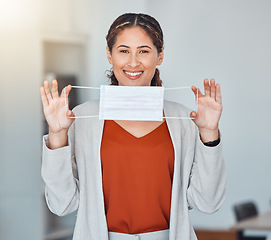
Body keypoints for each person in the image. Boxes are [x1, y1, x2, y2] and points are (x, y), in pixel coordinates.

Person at [40, 13, 226, 240]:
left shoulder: (184, 120)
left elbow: (208, 202)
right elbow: (62, 204)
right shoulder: (81, 118)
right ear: (110, 55)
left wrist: (209, 135)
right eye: (124, 50)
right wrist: (58, 135)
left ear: (160, 56)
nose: (133, 62)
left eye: (144, 51)